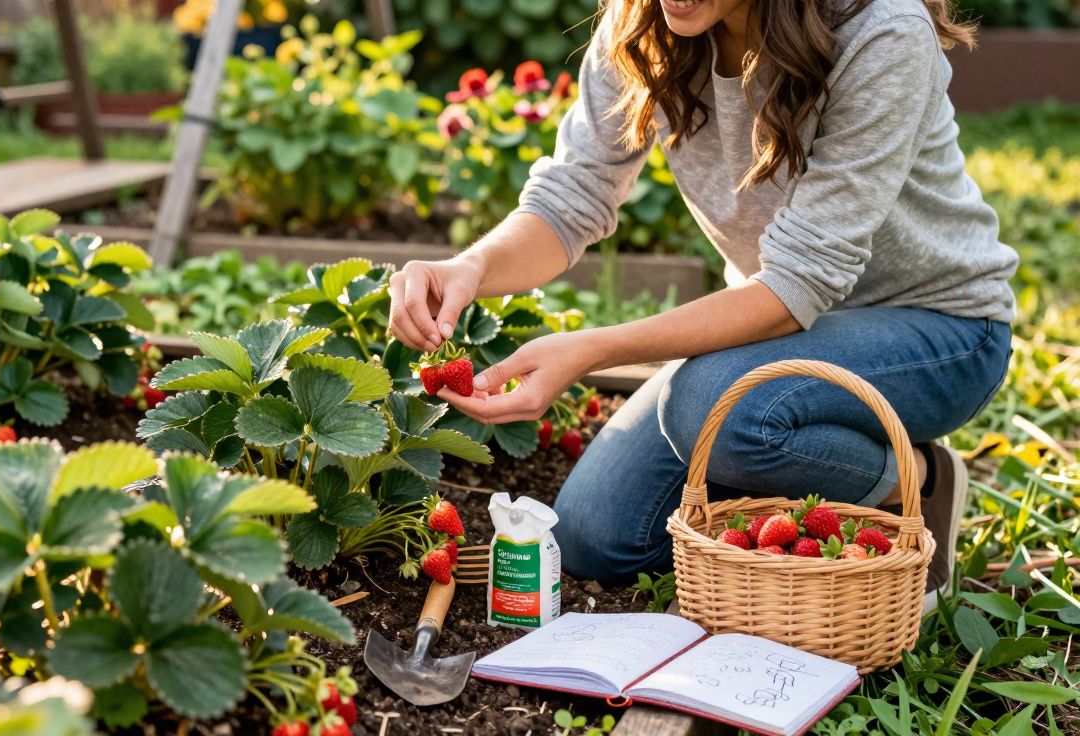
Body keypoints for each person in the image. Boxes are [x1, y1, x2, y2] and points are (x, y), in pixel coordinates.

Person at [385, 0, 1016, 606]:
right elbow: (571, 198)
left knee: (708, 406)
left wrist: (592, 348)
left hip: (941, 332)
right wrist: (468, 267)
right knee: (593, 537)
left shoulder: (880, 28)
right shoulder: (643, 23)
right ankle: (794, 464)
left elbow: (800, 282)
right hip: (777, 330)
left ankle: (913, 483)